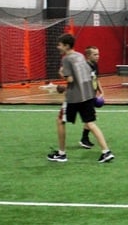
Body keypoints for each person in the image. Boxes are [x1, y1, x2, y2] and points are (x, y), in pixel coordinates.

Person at [47, 33, 114, 163]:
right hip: (88, 95)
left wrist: (62, 74)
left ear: (66, 46)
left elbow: (71, 79)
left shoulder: (66, 59)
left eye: (60, 45)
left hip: (74, 97)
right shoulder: (80, 56)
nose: (58, 47)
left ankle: (61, 154)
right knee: (90, 123)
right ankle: (106, 152)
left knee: (60, 121)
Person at [79, 46, 102, 148]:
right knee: (90, 119)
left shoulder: (95, 65)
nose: (98, 56)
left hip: (91, 95)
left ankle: (84, 139)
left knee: (90, 118)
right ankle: (84, 139)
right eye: (95, 54)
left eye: (98, 54)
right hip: (84, 96)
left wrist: (101, 90)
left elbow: (96, 79)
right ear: (88, 56)